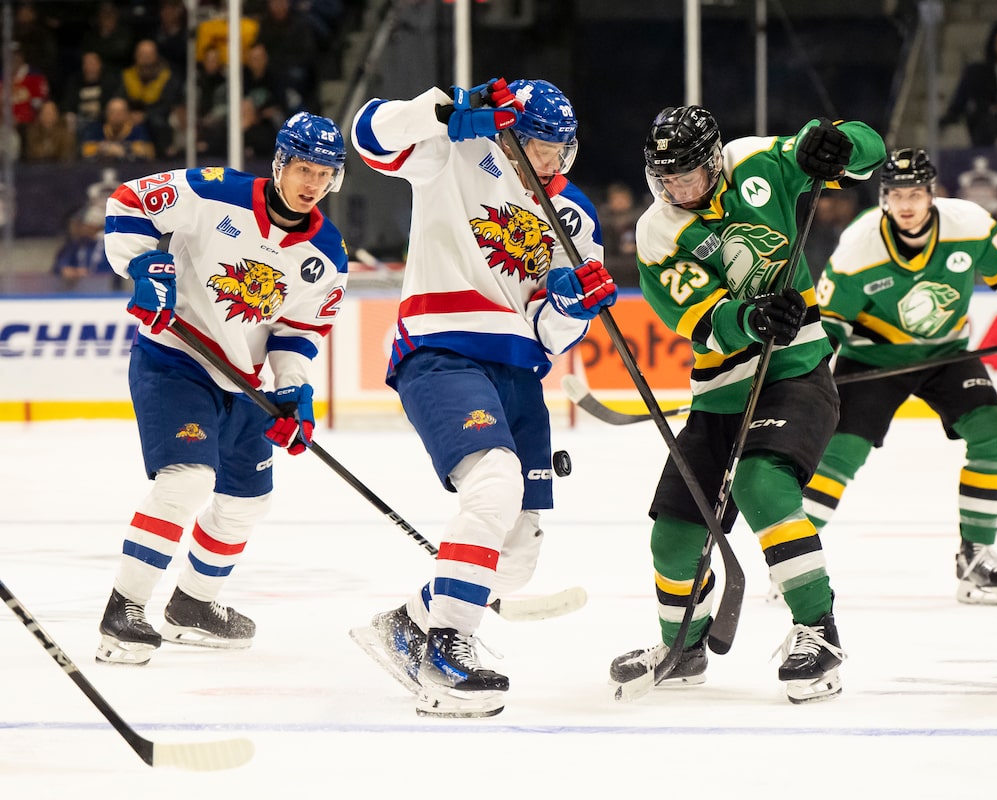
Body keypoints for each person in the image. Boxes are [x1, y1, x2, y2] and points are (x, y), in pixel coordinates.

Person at [350, 78, 615, 717]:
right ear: (508, 132)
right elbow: (368, 134)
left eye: (557, 148)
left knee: (518, 550)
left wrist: (572, 305)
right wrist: (441, 110)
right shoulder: (455, 151)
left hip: (518, 372)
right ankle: (445, 648)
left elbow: (552, 330)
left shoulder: (573, 214)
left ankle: (409, 625)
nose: (547, 159)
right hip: (443, 349)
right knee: (493, 485)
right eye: (535, 143)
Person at [608, 106, 885, 704]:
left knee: (764, 484)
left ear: (714, 160)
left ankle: (819, 630)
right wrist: (750, 317)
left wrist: (836, 146)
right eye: (667, 180)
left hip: (795, 372)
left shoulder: (759, 160)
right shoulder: (659, 230)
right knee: (674, 537)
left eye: (689, 176)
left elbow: (863, 147)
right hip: (717, 392)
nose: (678, 189)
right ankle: (683, 646)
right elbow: (699, 318)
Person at [95, 111, 350, 665]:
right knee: (187, 480)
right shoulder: (216, 192)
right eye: (303, 169)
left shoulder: (327, 253)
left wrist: (293, 390)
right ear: (281, 164)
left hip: (244, 384)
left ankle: (193, 605)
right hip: (175, 362)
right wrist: (145, 267)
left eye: (325, 174)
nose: (312, 184)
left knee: (246, 502)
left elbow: (297, 333)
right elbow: (127, 202)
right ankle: (124, 611)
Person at [801, 148, 997, 607]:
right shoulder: (861, 243)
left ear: (932, 194)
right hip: (873, 356)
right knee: (841, 453)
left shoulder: (969, 223)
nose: (906, 204)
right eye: (896, 194)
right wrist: (810, 372)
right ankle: (794, 558)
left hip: (946, 352)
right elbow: (831, 323)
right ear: (883, 197)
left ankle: (975, 554)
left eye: (915, 193)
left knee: (994, 433)